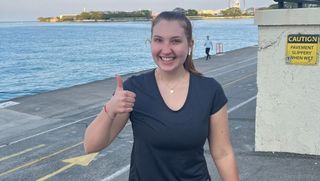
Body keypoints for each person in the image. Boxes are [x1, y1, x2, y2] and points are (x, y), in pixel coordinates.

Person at [84, 11, 239, 181]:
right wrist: (110, 109)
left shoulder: (210, 90)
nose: (166, 50)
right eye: (158, 40)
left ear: (190, 45)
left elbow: (222, 153)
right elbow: (91, 145)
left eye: (175, 41)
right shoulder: (133, 89)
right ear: (151, 43)